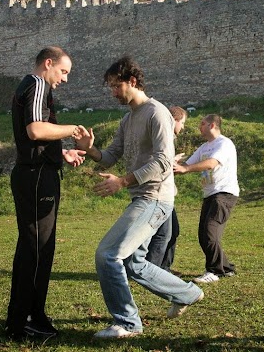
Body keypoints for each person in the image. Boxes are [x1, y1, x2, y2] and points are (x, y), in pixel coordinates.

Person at [74, 56, 203, 339]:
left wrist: (122, 181)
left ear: (132, 81)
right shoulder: (128, 119)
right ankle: (188, 293)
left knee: (108, 255)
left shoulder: (157, 112)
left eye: (116, 86)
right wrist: (89, 150)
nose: (113, 92)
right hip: (142, 197)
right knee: (134, 263)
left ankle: (128, 323)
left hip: (155, 197)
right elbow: (109, 158)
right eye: (110, 87)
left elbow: (163, 162)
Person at [6, 46, 86, 339]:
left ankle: (26, 316)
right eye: (63, 71)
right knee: (37, 249)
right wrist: (71, 131)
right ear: (48, 64)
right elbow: (35, 131)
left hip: (36, 173)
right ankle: (27, 320)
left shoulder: (31, 86)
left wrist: (60, 153)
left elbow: (36, 138)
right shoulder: (37, 83)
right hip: (37, 178)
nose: (64, 79)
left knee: (34, 247)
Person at [173, 114, 239, 284]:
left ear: (212, 125)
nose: (199, 127)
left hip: (224, 193)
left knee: (210, 232)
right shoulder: (204, 147)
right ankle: (226, 267)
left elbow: (211, 163)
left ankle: (214, 271)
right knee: (204, 234)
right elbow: (186, 165)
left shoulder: (224, 143)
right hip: (210, 194)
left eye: (202, 124)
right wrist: (173, 164)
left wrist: (185, 169)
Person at [147, 106, 188, 272]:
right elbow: (156, 163)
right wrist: (171, 164)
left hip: (166, 193)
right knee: (163, 234)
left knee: (171, 231)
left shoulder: (167, 137)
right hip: (158, 193)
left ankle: (164, 268)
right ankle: (152, 270)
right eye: (182, 123)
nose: (183, 127)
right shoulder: (164, 137)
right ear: (175, 120)